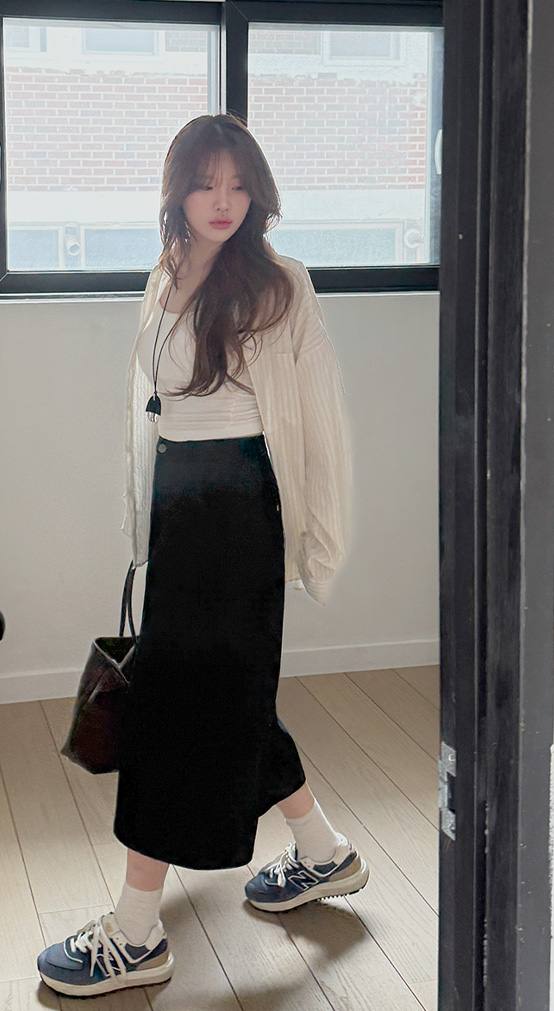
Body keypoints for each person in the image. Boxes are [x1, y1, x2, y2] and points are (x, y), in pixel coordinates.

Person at [38, 114, 368, 999]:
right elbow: (146, 412)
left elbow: (320, 422)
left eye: (239, 183)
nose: (224, 200)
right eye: (206, 182)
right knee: (228, 693)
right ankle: (324, 852)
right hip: (180, 510)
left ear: (257, 191)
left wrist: (320, 539)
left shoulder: (281, 285)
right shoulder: (166, 273)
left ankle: (136, 930)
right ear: (177, 188)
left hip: (238, 509)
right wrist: (143, 520)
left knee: (171, 709)